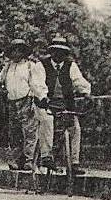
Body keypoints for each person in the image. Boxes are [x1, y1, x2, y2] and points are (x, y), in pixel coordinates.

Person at [37, 36, 92, 175]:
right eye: (55, 51)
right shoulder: (41, 65)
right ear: (51, 51)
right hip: (46, 103)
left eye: (62, 52)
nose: (58, 55)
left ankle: (74, 163)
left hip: (64, 103)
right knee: (46, 121)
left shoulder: (70, 65)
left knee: (75, 127)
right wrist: (43, 97)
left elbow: (78, 81)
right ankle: (46, 156)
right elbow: (38, 84)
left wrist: (86, 93)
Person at [0, 39, 49, 172]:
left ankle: (29, 159)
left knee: (29, 131)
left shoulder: (31, 66)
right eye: (14, 50)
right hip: (11, 102)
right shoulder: (8, 67)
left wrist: (41, 97)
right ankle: (17, 159)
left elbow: (37, 84)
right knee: (15, 132)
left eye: (19, 50)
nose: (16, 53)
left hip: (26, 100)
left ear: (24, 52)